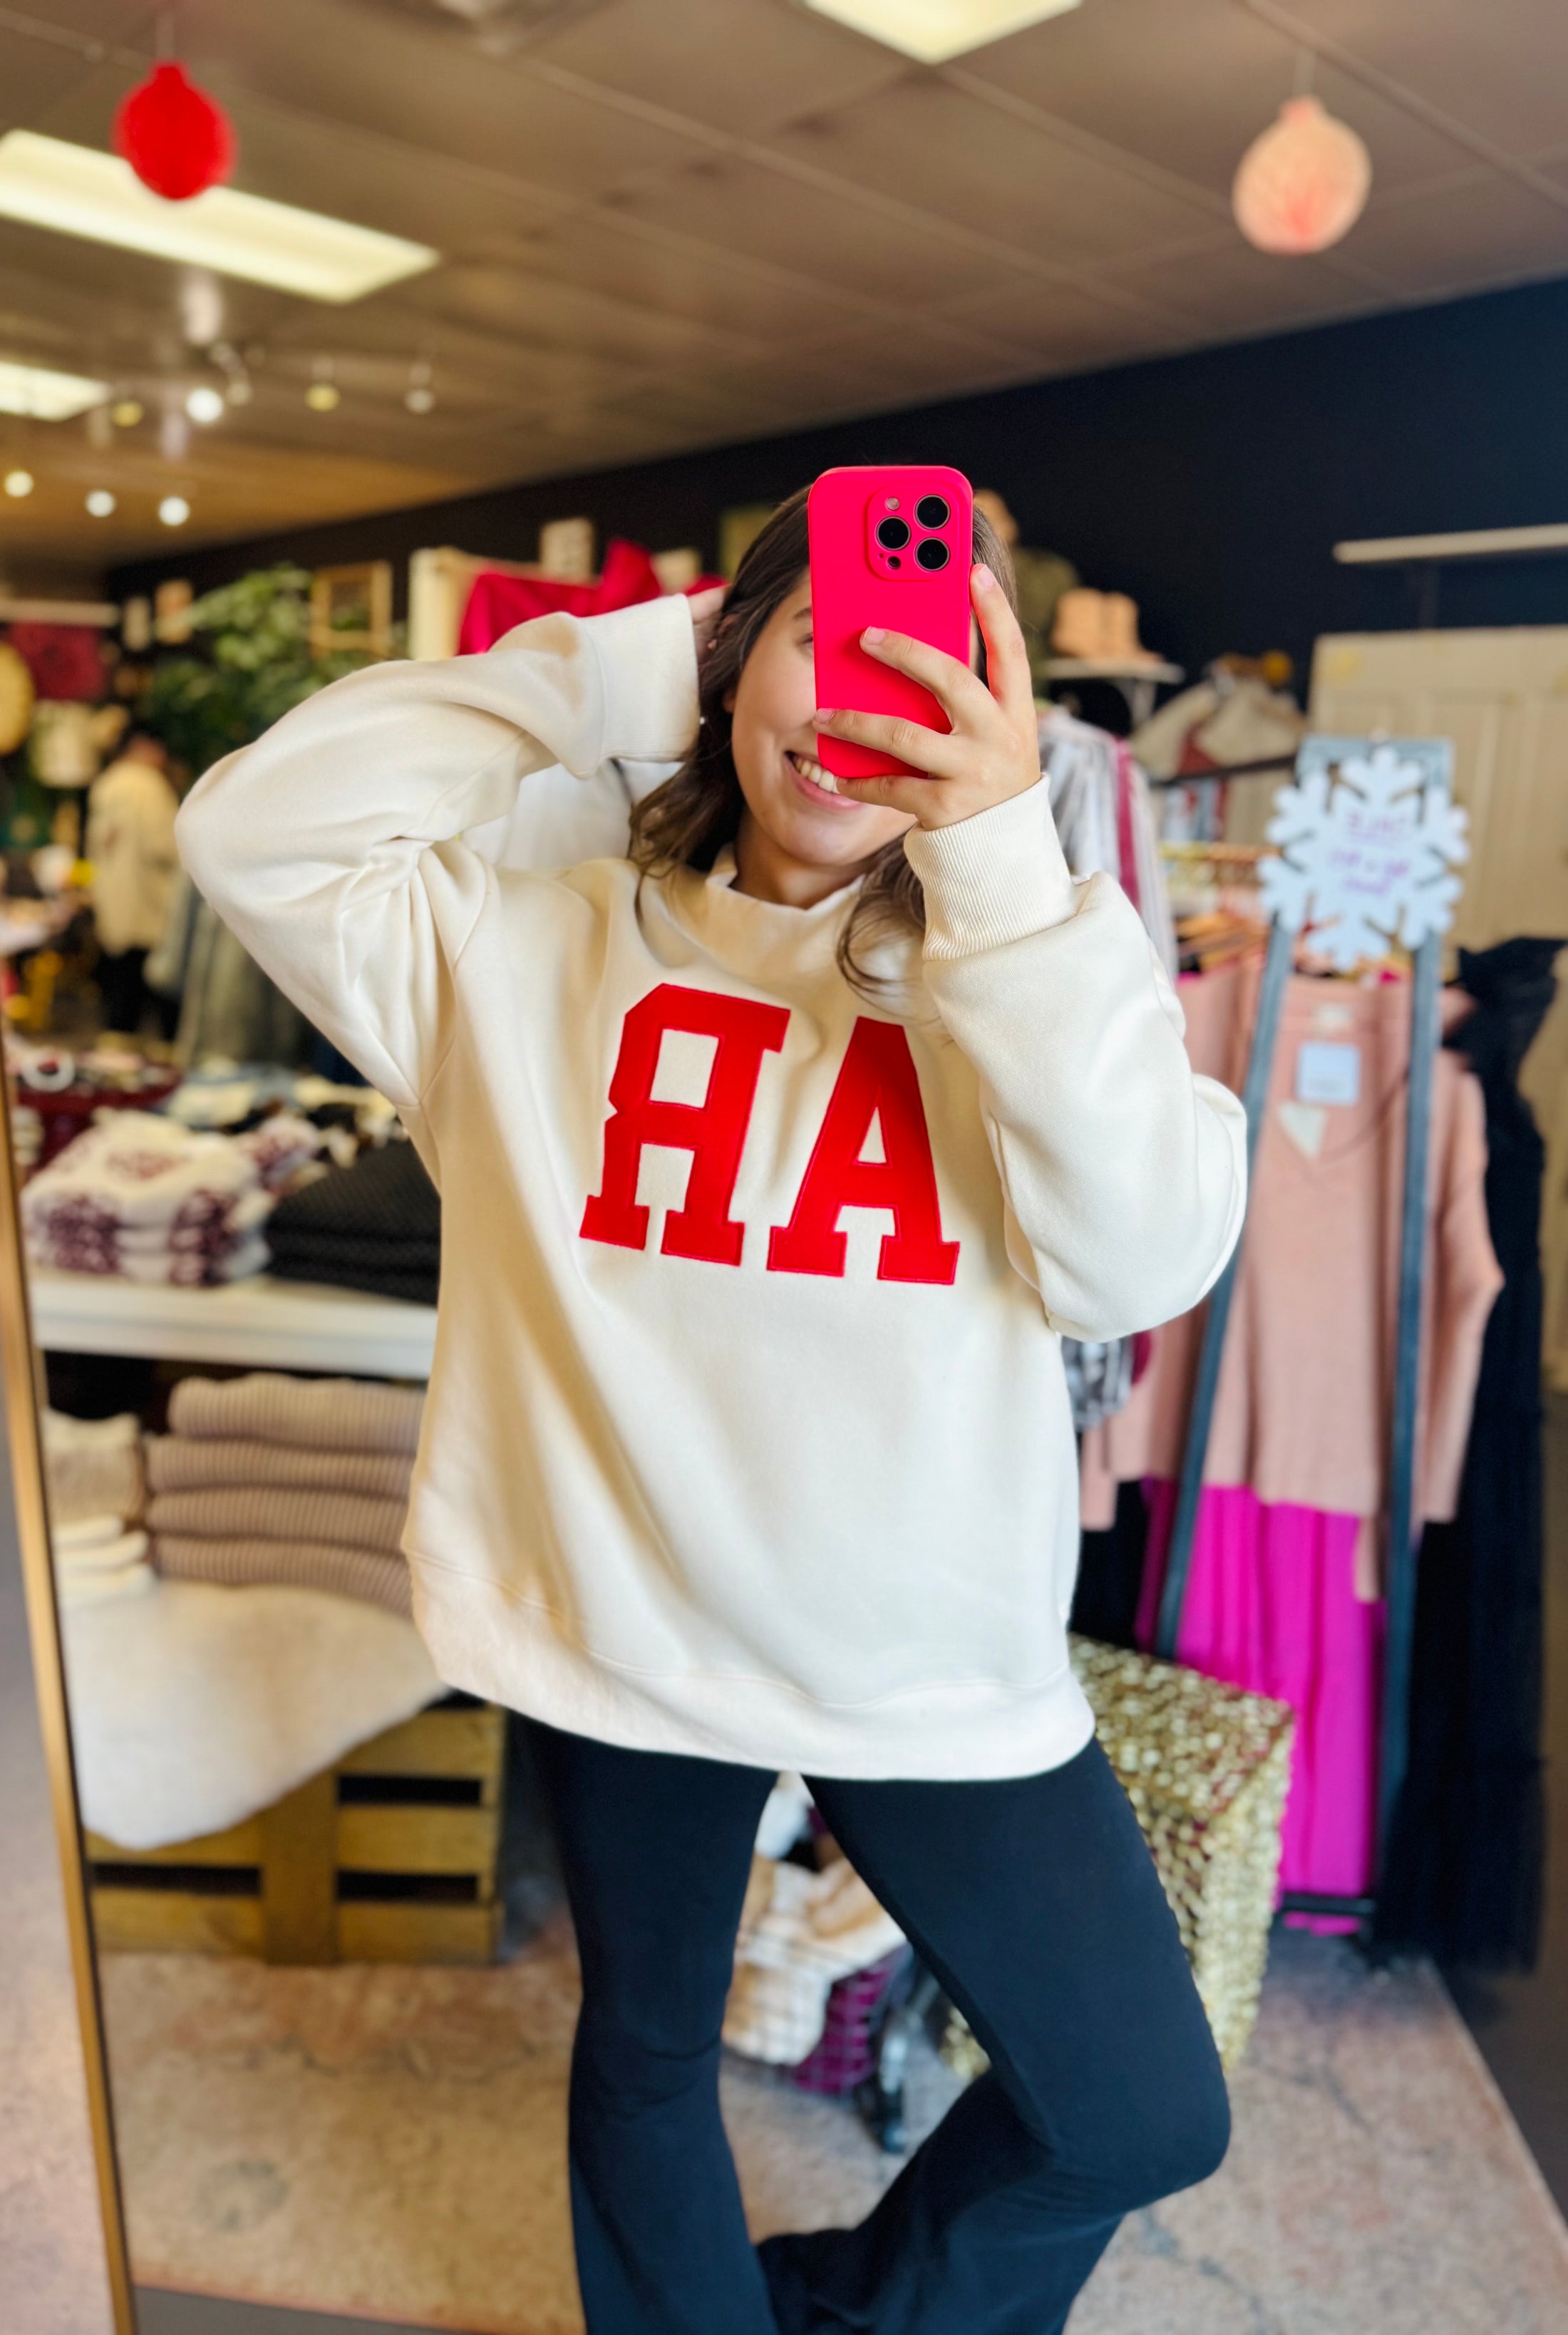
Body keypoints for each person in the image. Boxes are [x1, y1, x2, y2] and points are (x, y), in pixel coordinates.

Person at [176, 486, 1246, 2335]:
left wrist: (993, 854)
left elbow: (1143, 1252)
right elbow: (251, 822)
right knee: (649, 2049)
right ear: (727, 655)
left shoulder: (1029, 971)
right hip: (629, 1615)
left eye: (935, 654)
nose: (869, 690)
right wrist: (624, 658)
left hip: (928, 1658)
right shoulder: (515, 947)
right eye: (820, 634)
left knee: (1139, 2108)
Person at [85, 730, 180, 1038]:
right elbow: (164, 845)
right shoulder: (149, 785)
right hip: (147, 902)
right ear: (143, 747)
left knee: (118, 993)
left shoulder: (107, 783)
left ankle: (115, 1056)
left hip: (114, 898)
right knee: (153, 989)